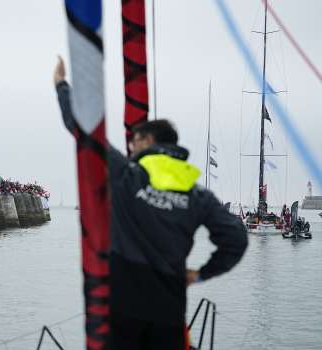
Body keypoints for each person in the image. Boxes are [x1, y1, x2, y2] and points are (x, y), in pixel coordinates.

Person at [53, 57, 248, 349]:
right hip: (168, 315)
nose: (130, 146)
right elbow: (236, 239)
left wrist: (61, 85)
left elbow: (84, 129)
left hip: (122, 311)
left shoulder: (126, 175)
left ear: (147, 141)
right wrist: (201, 273)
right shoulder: (198, 195)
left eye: (134, 141)